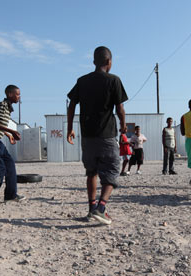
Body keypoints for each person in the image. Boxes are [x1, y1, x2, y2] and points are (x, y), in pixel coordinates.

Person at [67, 46, 128, 225]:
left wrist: (71, 128)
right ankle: (101, 208)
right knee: (112, 171)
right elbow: (120, 108)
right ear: (109, 62)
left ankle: (91, 209)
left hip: (87, 135)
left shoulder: (82, 80)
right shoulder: (114, 80)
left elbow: (72, 105)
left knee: (91, 172)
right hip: (107, 135)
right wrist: (123, 125)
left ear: (94, 62)